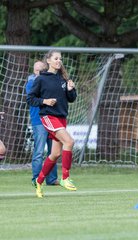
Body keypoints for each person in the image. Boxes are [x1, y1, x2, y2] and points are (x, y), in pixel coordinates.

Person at [27, 50, 77, 198]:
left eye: (60, 59)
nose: (58, 61)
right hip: (48, 117)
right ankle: (65, 178)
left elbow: (71, 98)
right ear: (48, 61)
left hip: (61, 118)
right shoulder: (41, 79)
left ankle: (39, 181)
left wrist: (70, 89)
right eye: (56, 58)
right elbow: (30, 99)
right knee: (69, 141)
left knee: (55, 154)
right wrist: (45, 101)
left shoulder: (62, 79)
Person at [26, 61, 59, 187]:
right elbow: (34, 99)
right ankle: (36, 178)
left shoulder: (50, 81)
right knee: (39, 151)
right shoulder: (31, 83)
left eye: (41, 70)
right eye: (36, 70)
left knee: (53, 151)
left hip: (52, 119)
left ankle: (51, 179)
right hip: (39, 121)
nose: (38, 72)